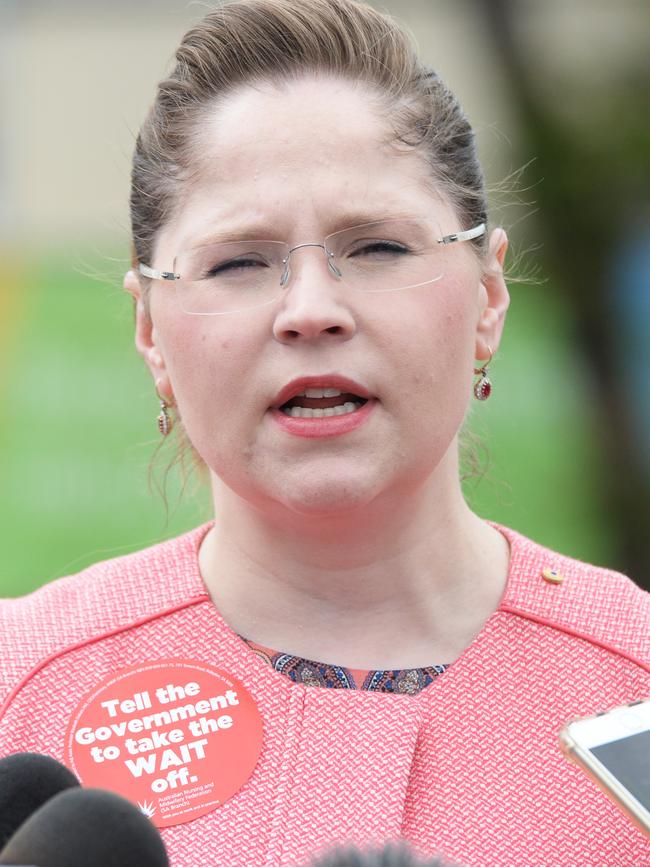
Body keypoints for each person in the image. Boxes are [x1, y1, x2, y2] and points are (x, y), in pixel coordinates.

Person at [1, 1, 648, 865]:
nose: (310, 311)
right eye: (238, 262)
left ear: (489, 297)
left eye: (378, 247)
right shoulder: (21, 687)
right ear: (150, 330)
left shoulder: (633, 676)